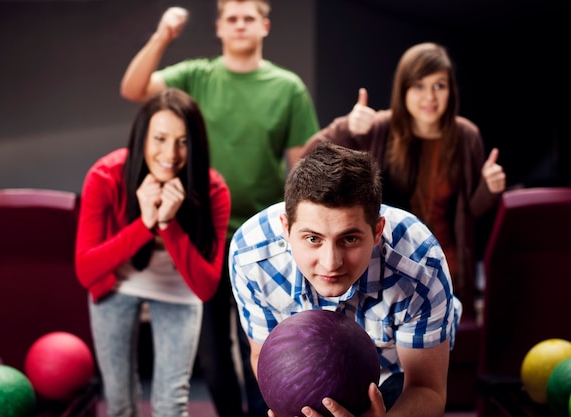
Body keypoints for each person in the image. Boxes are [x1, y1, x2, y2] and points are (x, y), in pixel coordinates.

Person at [120, 1, 320, 416]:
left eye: (249, 18)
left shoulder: (288, 88)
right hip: (205, 235)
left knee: (267, 346)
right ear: (219, 28)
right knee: (213, 353)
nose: (240, 25)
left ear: (264, 26)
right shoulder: (196, 75)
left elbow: (305, 169)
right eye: (232, 18)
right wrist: (162, 36)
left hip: (268, 240)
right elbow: (133, 90)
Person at [230, 141, 462, 417]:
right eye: (312, 239)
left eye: (349, 239)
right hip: (311, 370)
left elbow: (427, 389)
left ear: (377, 231)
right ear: (286, 228)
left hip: (396, 366)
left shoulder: (420, 265)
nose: (331, 263)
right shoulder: (251, 256)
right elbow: (264, 357)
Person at [302, 42, 505, 318]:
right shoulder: (382, 127)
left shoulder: (465, 135)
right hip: (391, 266)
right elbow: (310, 157)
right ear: (403, 89)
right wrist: (347, 126)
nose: (430, 96)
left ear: (451, 91)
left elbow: (472, 211)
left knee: (445, 350)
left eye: (439, 86)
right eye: (419, 86)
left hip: (449, 266)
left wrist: (489, 189)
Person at [74, 87, 231, 417]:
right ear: (142, 138)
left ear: (196, 144)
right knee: (119, 402)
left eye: (183, 141)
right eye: (159, 138)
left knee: (170, 406)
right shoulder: (104, 177)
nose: (170, 153)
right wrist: (144, 225)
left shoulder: (213, 189)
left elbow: (205, 287)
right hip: (117, 282)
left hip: (179, 286)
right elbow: (86, 271)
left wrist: (168, 224)